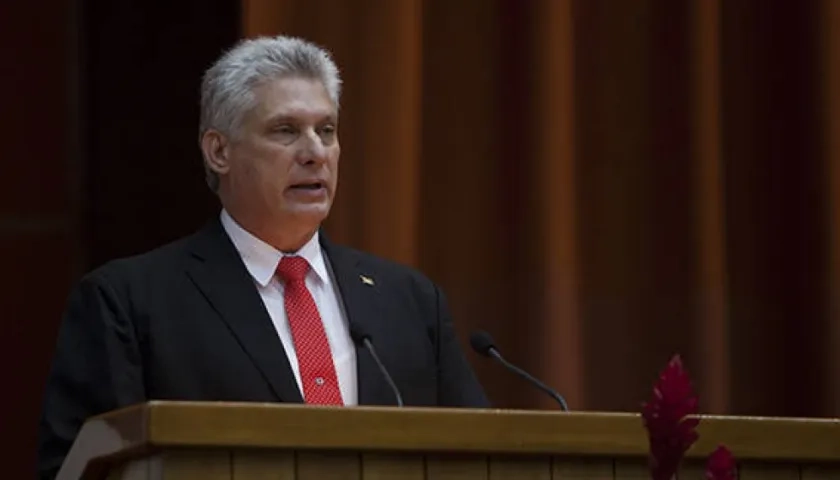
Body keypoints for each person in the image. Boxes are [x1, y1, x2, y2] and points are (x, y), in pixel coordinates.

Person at [36, 35, 489, 479]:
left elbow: (480, 455)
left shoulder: (408, 300)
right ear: (219, 151)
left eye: (326, 131)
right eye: (286, 130)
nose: (315, 153)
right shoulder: (131, 304)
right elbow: (80, 469)